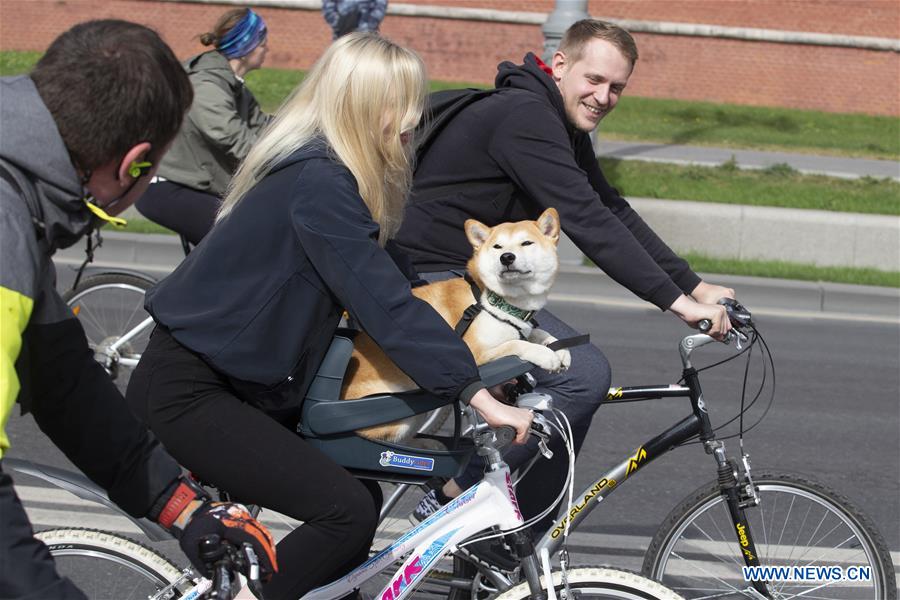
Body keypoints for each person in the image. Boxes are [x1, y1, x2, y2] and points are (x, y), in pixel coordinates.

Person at [125, 32, 534, 600]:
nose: (414, 123)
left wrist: (489, 353)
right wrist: (472, 390)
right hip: (191, 392)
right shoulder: (321, 183)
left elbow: (402, 283)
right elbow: (385, 303)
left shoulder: (328, 176)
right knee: (342, 512)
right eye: (404, 106)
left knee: (357, 500)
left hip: (240, 385)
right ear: (368, 108)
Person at [393, 19, 736, 542]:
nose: (603, 96)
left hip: (469, 277)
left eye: (616, 87)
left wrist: (695, 285)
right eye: (593, 80)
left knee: (562, 383)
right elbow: (589, 221)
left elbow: (609, 208)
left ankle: (506, 533)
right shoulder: (527, 119)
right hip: (433, 280)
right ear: (559, 66)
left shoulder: (553, 119)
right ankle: (463, 509)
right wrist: (679, 304)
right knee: (581, 375)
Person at [0, 20, 278, 599]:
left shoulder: (18, 207)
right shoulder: (4, 233)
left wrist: (179, 505)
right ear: (135, 163)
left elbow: (64, 383)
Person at [136, 7, 270, 245]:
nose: (267, 49)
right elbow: (233, 138)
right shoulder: (206, 85)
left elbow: (264, 127)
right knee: (239, 241)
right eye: (262, 43)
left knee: (248, 238)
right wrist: (276, 160)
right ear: (246, 47)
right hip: (169, 188)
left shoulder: (233, 87)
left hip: (192, 184)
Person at [322, 0, 388, 39]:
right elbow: (328, 8)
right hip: (342, 34)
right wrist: (339, 24)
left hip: (367, 35)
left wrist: (369, 26)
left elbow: (380, 6)